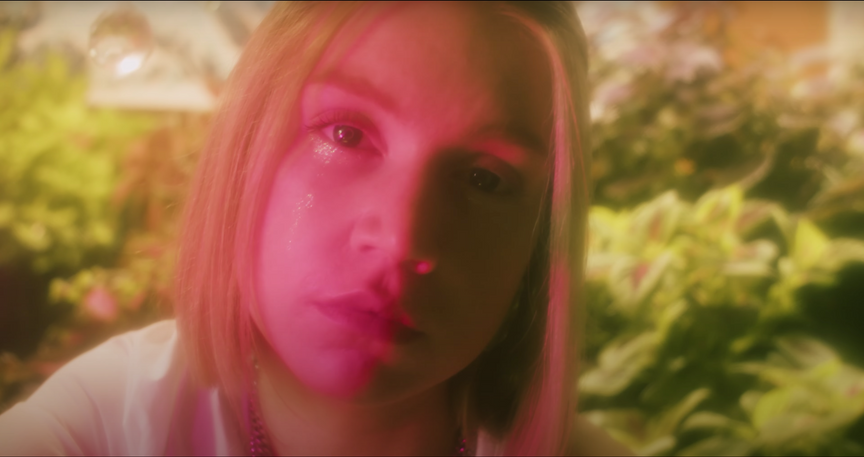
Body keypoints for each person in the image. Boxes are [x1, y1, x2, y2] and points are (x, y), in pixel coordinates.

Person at [0, 2, 632, 455]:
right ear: (243, 150)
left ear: (539, 240)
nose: (402, 241)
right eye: (345, 134)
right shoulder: (102, 425)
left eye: (484, 179)